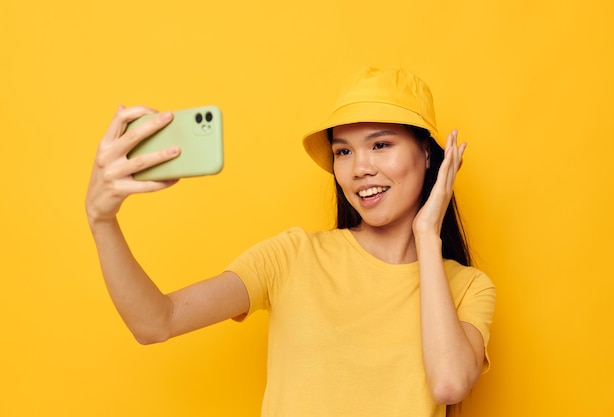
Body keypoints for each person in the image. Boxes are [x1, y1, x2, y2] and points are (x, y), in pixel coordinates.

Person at [86, 67, 496, 417]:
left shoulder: (468, 287)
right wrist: (102, 220)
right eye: (343, 152)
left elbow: (448, 384)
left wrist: (427, 235)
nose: (360, 169)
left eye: (381, 144)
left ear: (427, 154)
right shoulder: (293, 257)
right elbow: (157, 322)